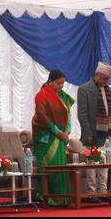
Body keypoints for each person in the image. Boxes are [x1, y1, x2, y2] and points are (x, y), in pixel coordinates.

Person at [77, 62, 111, 203]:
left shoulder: (108, 89)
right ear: (96, 75)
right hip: (92, 135)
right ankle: (91, 193)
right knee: (92, 165)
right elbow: (82, 114)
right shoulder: (84, 89)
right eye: (103, 78)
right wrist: (88, 133)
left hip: (107, 134)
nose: (106, 81)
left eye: (107, 79)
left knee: (105, 164)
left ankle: (103, 191)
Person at [32, 69, 75, 206]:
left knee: (60, 168)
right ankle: (47, 198)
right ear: (50, 82)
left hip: (61, 138)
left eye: (62, 83)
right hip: (46, 138)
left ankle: (61, 198)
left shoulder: (63, 96)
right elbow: (43, 118)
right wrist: (58, 132)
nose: (61, 86)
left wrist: (67, 131)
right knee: (48, 168)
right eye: (58, 83)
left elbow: (68, 115)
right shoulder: (41, 96)